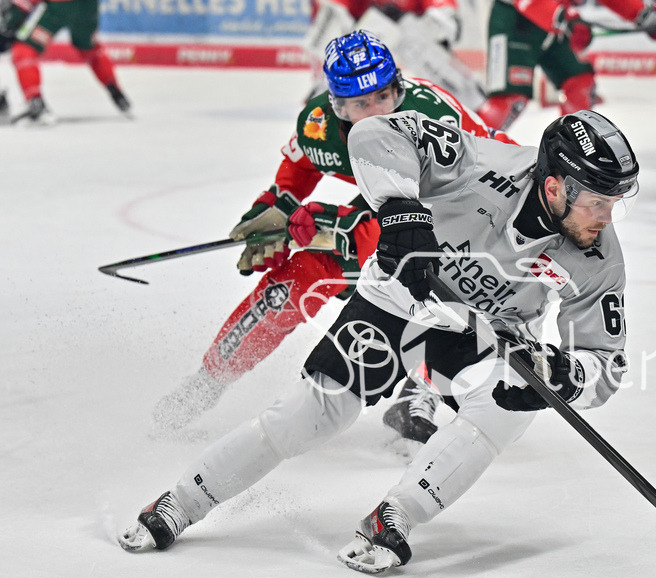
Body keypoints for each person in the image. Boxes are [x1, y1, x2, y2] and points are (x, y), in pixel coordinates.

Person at [119, 108, 638, 576]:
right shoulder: (483, 164)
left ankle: (397, 515)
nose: (607, 217)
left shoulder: (599, 259)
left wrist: (560, 375)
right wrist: (400, 208)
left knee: (510, 403)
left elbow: (605, 368)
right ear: (553, 186)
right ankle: (179, 502)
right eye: (597, 202)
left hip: (481, 333)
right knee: (314, 413)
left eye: (613, 203)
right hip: (398, 302)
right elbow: (373, 133)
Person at [153, 30, 514, 449]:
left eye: (384, 96)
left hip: (464, 220)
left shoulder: (433, 119)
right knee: (301, 274)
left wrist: (335, 227)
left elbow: (432, 218)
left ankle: (422, 390)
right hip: (397, 215)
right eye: (361, 104)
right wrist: (273, 210)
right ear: (337, 106)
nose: (377, 111)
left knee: (426, 276)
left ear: (399, 87)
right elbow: (297, 172)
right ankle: (209, 379)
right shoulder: (318, 125)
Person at [476, 0, 656, 131]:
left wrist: (643, 15)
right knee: (509, 100)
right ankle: (465, 148)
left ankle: (571, 151)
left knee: (580, 82)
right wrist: (565, 17)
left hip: (560, 21)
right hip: (517, 21)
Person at [0, 0, 130, 124]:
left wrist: (12, 20)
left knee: (24, 49)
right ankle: (115, 91)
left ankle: (35, 102)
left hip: (59, 6)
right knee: (89, 49)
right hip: (87, 7)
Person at [303, 0, 461, 100]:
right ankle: (325, 100)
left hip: (412, 31)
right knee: (334, 24)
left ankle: (465, 104)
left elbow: (443, 11)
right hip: (365, 30)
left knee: (431, 29)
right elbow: (335, 8)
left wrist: (442, 16)